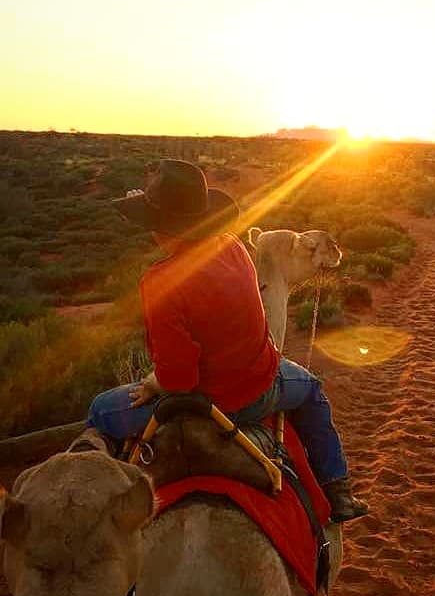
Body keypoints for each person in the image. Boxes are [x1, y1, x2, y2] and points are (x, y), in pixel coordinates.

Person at [87, 159, 368, 523]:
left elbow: (179, 378)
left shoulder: (161, 281)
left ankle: (95, 518)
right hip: (264, 388)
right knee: (312, 390)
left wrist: (152, 382)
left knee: (98, 411)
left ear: (158, 227)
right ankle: (338, 491)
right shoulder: (234, 248)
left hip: (203, 404)